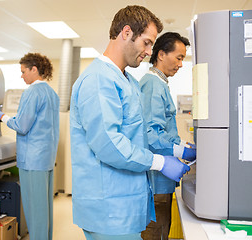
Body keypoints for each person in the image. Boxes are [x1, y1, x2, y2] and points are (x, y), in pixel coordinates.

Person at [70, 6, 190, 240]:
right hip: (109, 208)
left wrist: (172, 151)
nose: (148, 52)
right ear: (126, 32)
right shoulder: (98, 79)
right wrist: (159, 162)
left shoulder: (128, 81)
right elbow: (109, 145)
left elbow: (140, 136)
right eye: (146, 43)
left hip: (126, 204)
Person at [0, 53, 60, 240]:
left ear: (34, 69)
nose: (21, 76)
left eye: (23, 71)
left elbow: (22, 126)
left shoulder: (32, 92)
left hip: (32, 160)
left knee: (34, 210)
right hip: (46, 159)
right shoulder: (51, 93)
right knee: (44, 210)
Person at [139, 32, 196, 240]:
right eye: (179, 58)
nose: (181, 64)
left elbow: (164, 129)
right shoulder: (152, 84)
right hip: (156, 181)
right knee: (155, 232)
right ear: (161, 54)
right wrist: (181, 151)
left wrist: (182, 144)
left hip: (162, 181)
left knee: (163, 230)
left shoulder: (160, 84)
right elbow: (151, 134)